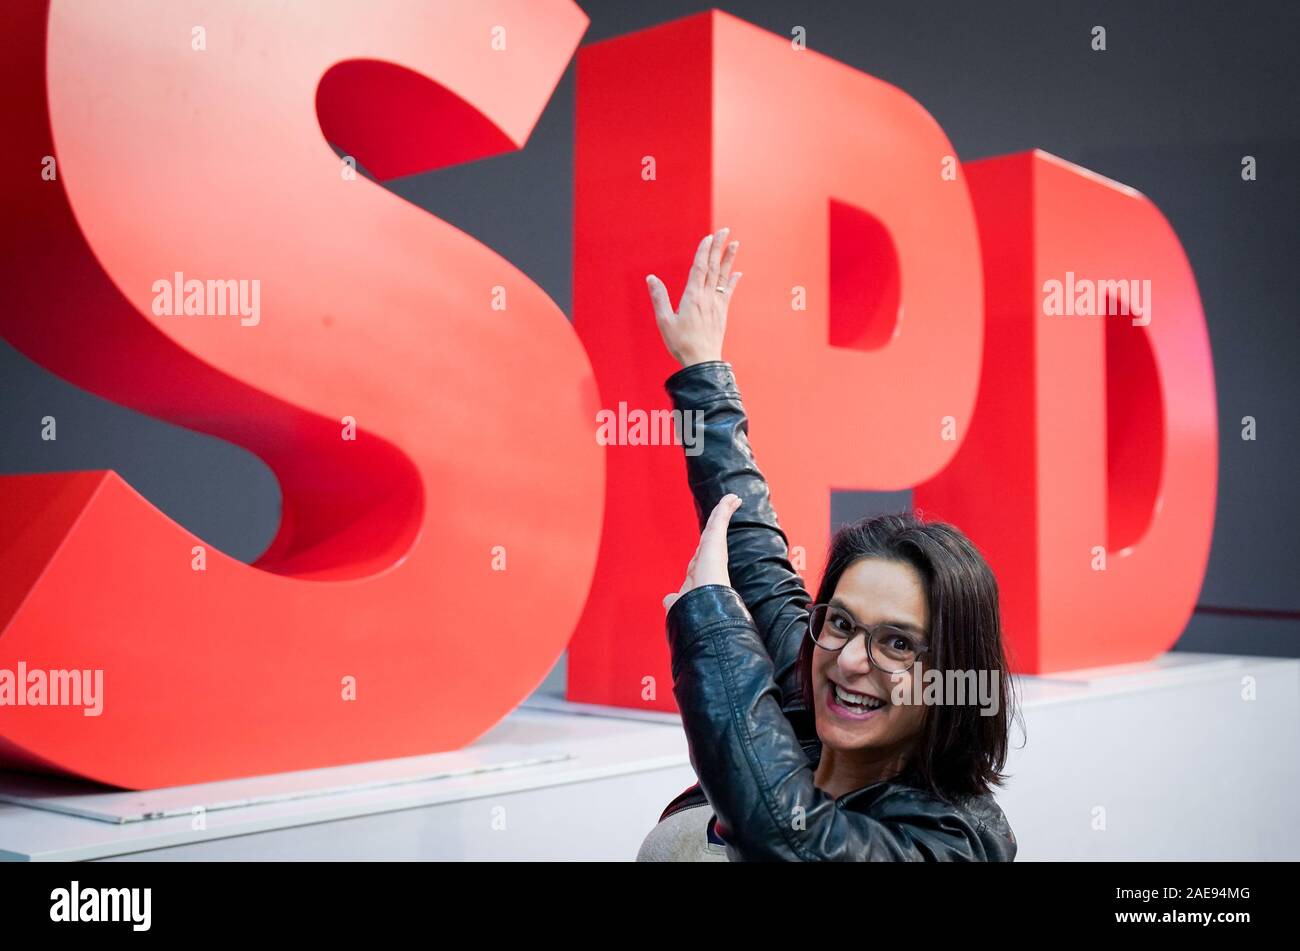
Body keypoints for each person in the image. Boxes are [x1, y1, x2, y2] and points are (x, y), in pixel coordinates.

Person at [636, 229, 1020, 862]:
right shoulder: (814, 691)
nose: (848, 661)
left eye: (899, 643)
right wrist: (701, 370)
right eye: (839, 622)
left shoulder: (954, 842)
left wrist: (710, 622)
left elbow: (793, 842)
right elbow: (757, 555)